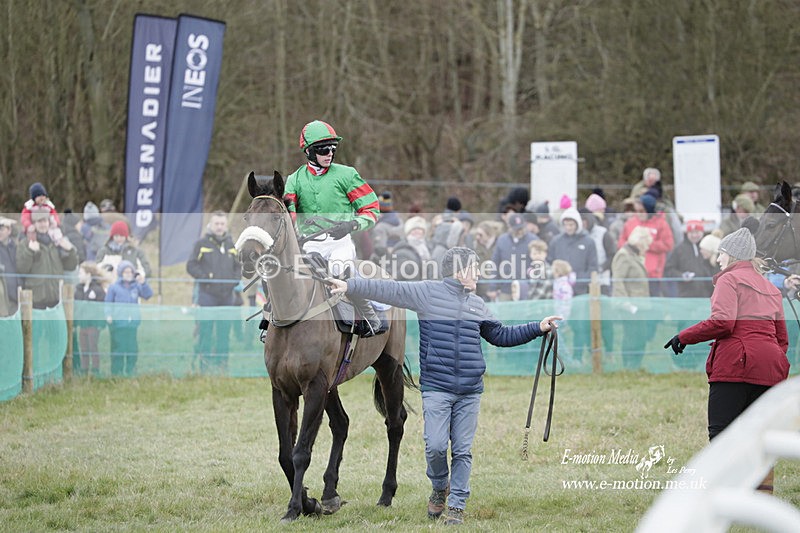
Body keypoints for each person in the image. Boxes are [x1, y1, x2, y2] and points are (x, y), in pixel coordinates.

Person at [326, 247, 561, 526]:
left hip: (470, 391)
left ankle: (457, 506)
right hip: (437, 388)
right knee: (436, 447)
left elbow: (500, 335)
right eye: (474, 268)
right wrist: (350, 285)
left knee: (462, 450)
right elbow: (388, 290)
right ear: (460, 271)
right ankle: (440, 486)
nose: (478, 273)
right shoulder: (426, 293)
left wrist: (538, 327)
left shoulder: (477, 304)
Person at [664, 227, 790, 493]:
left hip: (735, 366)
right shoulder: (770, 287)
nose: (718, 259)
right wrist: (774, 357)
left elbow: (723, 322)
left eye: (721, 253)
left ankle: (725, 493)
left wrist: (683, 336)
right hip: (770, 367)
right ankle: (761, 492)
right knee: (760, 436)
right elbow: (782, 338)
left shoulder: (728, 280)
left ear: (731, 255)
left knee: (721, 433)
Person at [284, 119, 381, 334]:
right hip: (309, 245)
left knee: (338, 271)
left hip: (340, 243)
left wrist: (352, 224)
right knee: (291, 278)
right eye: (323, 149)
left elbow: (372, 209)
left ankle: (369, 316)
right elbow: (289, 215)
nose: (330, 153)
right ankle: (274, 319)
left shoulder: (347, 175)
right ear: (308, 152)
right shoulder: (294, 180)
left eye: (333, 149)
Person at [186, 212, 242, 372]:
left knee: (224, 333)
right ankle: (205, 366)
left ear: (226, 226)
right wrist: (205, 278)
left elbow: (238, 266)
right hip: (207, 296)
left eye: (222, 224)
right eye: (216, 223)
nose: (219, 227)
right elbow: (191, 265)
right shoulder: (201, 244)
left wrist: (234, 279)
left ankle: (222, 365)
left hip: (227, 297)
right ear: (211, 225)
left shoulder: (231, 245)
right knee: (206, 332)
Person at [16, 210, 78, 309]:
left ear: (49, 222)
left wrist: (70, 251)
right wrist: (30, 252)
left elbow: (71, 266)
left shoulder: (57, 241)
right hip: (36, 299)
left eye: (45, 221)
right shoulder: (25, 243)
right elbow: (21, 269)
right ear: (33, 224)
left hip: (57, 297)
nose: (43, 225)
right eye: (39, 222)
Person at [611, 226, 653, 370]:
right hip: (629, 306)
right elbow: (618, 280)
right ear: (639, 241)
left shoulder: (634, 255)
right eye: (646, 243)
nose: (647, 247)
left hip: (639, 305)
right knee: (632, 335)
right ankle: (629, 366)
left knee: (640, 335)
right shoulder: (623, 255)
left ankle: (636, 365)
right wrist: (625, 303)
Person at [617, 194, 673, 297]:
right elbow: (621, 241)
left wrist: (648, 244)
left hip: (652, 274)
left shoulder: (661, 223)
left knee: (653, 305)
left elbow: (668, 244)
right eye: (637, 210)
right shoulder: (631, 223)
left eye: (642, 211)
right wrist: (631, 245)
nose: (639, 214)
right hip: (633, 273)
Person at [105, 260, 153, 376]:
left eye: (130, 271)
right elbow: (108, 303)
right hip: (118, 324)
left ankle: (131, 370)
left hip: (132, 324)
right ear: (121, 273)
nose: (128, 274)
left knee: (132, 348)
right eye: (125, 271)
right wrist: (108, 315)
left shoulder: (136, 287)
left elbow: (148, 295)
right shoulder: (114, 287)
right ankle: (117, 372)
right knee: (118, 349)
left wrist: (143, 283)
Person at [486, 213, 538, 301]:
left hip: (526, 289)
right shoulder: (502, 240)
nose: (520, 231)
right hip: (505, 288)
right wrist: (493, 287)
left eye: (521, 228)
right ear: (509, 227)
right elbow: (495, 264)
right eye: (516, 229)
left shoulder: (533, 240)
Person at [664, 221, 717, 298]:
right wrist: (681, 276)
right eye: (691, 232)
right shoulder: (679, 249)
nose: (694, 235)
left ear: (702, 232)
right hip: (685, 294)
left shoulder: (708, 248)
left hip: (707, 293)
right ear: (687, 233)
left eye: (697, 232)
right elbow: (669, 269)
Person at [74, 261, 108, 376]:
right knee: (83, 347)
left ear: (88, 274)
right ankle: (84, 369)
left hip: (93, 324)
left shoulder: (98, 290)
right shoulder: (78, 290)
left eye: (81, 273)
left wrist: (101, 323)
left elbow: (101, 308)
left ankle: (95, 369)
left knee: (93, 346)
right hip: (83, 324)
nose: (79, 276)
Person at [0, 217, 20, 315]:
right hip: (3, 300)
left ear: (9, 231)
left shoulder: (15, 247)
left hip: (17, 298)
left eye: (1, 229)